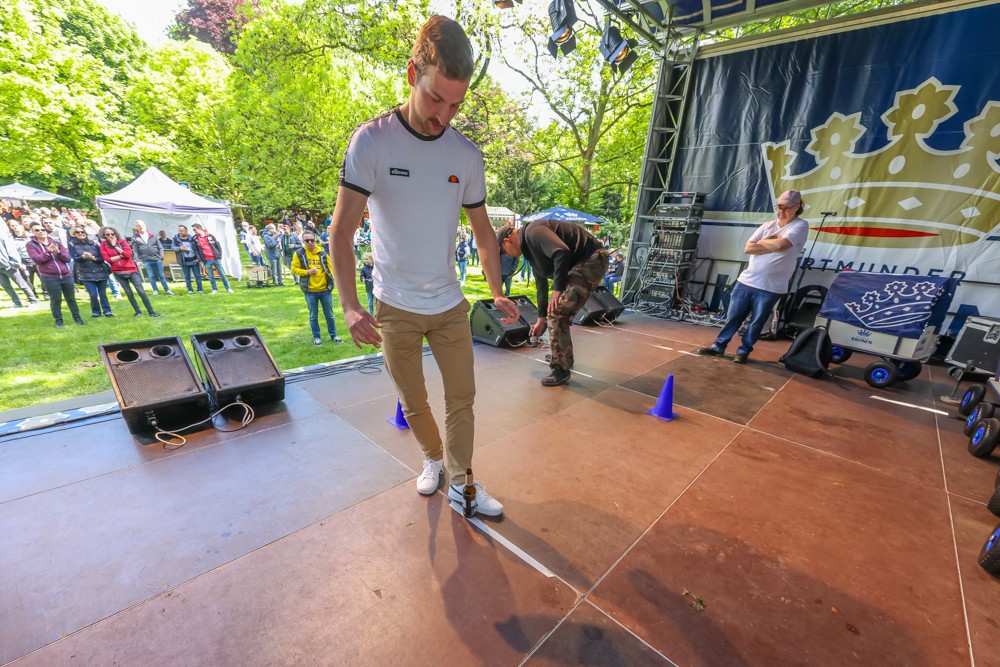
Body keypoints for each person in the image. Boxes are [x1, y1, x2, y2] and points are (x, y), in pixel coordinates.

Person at [329, 15, 519, 517]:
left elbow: (482, 232)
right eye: (437, 99)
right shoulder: (371, 141)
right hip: (395, 307)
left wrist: (497, 289)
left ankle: (463, 484)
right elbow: (341, 231)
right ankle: (432, 459)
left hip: (450, 305)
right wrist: (349, 305)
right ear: (413, 74)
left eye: (456, 104)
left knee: (462, 400)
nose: (445, 116)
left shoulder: (466, 155)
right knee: (413, 403)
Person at [695, 189, 809, 364]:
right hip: (746, 281)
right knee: (733, 317)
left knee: (756, 322)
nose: (781, 211)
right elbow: (748, 248)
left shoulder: (800, 226)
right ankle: (718, 347)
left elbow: (781, 244)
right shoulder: (767, 226)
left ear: (798, 206)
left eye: (786, 207)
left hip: (771, 287)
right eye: (779, 206)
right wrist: (770, 242)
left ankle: (743, 352)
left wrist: (762, 243)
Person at [497, 219, 608, 387]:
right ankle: (560, 355)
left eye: (504, 251)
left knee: (558, 312)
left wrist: (557, 290)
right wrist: (541, 318)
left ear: (507, 241)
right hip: (583, 263)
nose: (508, 255)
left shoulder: (532, 232)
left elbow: (561, 252)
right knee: (554, 312)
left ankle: (561, 368)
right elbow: (541, 285)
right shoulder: (530, 250)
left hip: (591, 259)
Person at [290, 230, 343, 346]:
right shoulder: (299, 254)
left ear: (315, 240)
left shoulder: (322, 253)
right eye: (307, 241)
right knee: (313, 316)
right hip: (310, 291)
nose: (310, 243)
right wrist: (307, 272)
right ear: (302, 241)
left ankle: (334, 335)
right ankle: (317, 337)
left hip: (325, 290)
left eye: (312, 240)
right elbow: (294, 269)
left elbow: (332, 267)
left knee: (329, 314)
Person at [26, 221, 84, 327]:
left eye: (42, 229)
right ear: (33, 232)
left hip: (65, 275)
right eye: (37, 230)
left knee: (71, 298)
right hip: (49, 277)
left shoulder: (56, 242)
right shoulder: (31, 245)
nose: (41, 232)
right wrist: (48, 252)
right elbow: (37, 259)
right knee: (56, 299)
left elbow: (67, 258)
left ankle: (77, 318)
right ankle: (59, 321)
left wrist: (57, 251)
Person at [99, 226, 161, 318]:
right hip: (118, 272)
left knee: (141, 291)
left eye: (112, 234)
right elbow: (108, 259)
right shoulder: (103, 245)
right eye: (107, 234)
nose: (110, 236)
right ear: (104, 235)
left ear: (116, 234)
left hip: (131, 270)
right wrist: (121, 255)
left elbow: (128, 254)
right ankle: (137, 311)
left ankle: (151, 311)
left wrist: (115, 246)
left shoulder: (122, 242)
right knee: (128, 293)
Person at [67, 225, 113, 317]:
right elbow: (74, 259)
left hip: (100, 271)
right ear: (73, 234)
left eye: (82, 232)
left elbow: (101, 258)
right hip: (85, 273)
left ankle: (107, 311)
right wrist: (83, 257)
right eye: (77, 232)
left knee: (103, 294)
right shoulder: (71, 245)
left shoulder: (94, 243)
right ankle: (96, 312)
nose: (80, 233)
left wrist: (93, 258)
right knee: (93, 295)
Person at [131, 220, 173, 295]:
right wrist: (137, 260)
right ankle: (155, 290)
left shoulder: (153, 236)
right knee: (151, 276)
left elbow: (160, 247)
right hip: (146, 260)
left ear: (145, 225)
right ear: (136, 227)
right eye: (139, 226)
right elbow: (135, 250)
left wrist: (161, 258)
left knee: (161, 275)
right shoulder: (135, 238)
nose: (141, 227)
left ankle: (167, 290)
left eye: (142, 225)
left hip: (157, 259)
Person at [0, 227, 38, 308]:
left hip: (9, 265)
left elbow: (11, 250)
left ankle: (33, 301)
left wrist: (15, 263)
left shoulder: (2, 237)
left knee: (21, 284)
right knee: (6, 286)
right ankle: (17, 303)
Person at [191, 223, 233, 293]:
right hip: (206, 260)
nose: (194, 231)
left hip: (216, 258)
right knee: (210, 276)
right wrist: (200, 258)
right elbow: (196, 250)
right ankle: (214, 289)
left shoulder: (210, 236)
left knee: (222, 274)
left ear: (200, 228)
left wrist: (219, 256)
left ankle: (228, 288)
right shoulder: (195, 239)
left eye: (195, 229)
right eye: (193, 230)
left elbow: (218, 245)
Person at [173, 225, 204, 294]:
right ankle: (190, 290)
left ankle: (200, 290)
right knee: (187, 277)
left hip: (194, 261)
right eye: (179, 230)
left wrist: (198, 259)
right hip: (184, 261)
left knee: (198, 276)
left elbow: (197, 249)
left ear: (186, 231)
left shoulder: (192, 239)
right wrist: (179, 248)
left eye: (181, 230)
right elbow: (173, 247)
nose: (180, 232)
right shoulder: (176, 239)